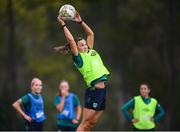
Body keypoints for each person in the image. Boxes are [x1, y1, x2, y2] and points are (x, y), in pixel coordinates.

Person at [54, 12, 110, 131]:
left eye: (85, 44)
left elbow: (91, 33)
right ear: (77, 48)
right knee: (85, 123)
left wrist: (80, 21)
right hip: (94, 91)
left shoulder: (90, 51)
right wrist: (63, 24)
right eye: (82, 45)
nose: (85, 46)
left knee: (91, 124)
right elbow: (71, 40)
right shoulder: (79, 58)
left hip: (102, 90)